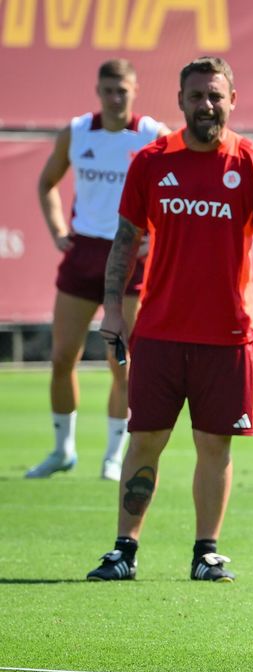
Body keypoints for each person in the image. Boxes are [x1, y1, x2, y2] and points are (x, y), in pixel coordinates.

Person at [85, 56, 253, 583]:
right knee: (145, 440)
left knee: (214, 445)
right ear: (180, 102)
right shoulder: (151, 161)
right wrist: (113, 309)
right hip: (157, 331)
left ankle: (206, 552)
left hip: (228, 335)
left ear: (232, 99)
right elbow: (125, 241)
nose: (206, 105)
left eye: (215, 95)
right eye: (196, 96)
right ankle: (123, 551)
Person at [27, 59, 168, 481]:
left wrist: (154, 232)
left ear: (135, 90)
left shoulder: (152, 136)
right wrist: (57, 230)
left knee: (121, 362)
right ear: (98, 90)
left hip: (128, 257)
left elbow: (178, 187)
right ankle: (62, 449)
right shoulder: (76, 131)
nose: (114, 98)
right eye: (108, 90)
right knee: (60, 358)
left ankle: (112, 456)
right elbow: (46, 182)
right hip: (84, 253)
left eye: (122, 90)